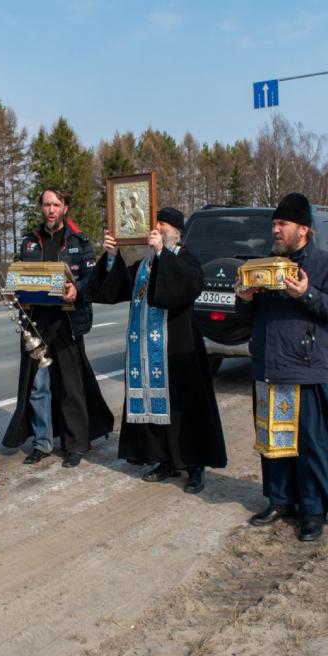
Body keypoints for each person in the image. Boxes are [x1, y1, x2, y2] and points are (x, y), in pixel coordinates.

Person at [236, 192, 328, 540]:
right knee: (272, 439)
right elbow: (248, 317)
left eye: (282, 224)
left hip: (304, 367)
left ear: (304, 229)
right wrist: (245, 299)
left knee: (309, 444)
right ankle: (280, 500)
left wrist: (305, 294)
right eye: (274, 224)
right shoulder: (267, 266)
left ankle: (313, 510)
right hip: (268, 365)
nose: (275, 230)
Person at [87, 207, 227, 493]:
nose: (159, 227)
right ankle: (164, 460)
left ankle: (194, 467)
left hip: (178, 350)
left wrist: (163, 253)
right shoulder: (145, 264)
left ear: (177, 231)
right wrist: (112, 256)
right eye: (157, 223)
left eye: (164, 223)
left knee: (185, 409)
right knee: (154, 406)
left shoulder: (186, 258)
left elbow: (187, 286)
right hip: (147, 351)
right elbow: (116, 288)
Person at [2, 187, 114, 468]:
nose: (50, 209)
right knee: (38, 386)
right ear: (41, 208)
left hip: (67, 322)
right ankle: (42, 443)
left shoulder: (79, 241)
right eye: (46, 204)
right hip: (37, 323)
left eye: (55, 204)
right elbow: (21, 279)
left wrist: (77, 290)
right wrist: (14, 292)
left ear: (65, 208)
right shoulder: (30, 242)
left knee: (70, 387)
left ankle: (75, 445)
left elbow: (92, 280)